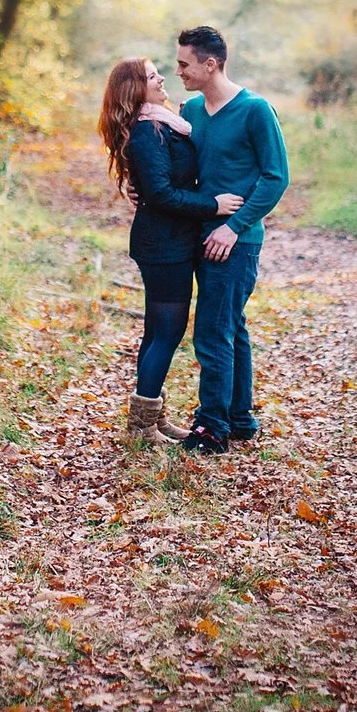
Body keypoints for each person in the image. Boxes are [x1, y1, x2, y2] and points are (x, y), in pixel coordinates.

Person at [96, 57, 244, 445]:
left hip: (170, 239)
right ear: (135, 89)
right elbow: (160, 193)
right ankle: (142, 426)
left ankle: (152, 418)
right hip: (162, 244)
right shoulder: (148, 131)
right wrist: (213, 205)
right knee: (167, 332)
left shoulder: (163, 123)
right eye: (151, 75)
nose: (161, 77)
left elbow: (157, 184)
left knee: (157, 332)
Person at [171, 24, 289, 454]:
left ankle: (212, 427)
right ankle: (239, 419)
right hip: (200, 235)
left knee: (213, 330)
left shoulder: (256, 110)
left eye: (185, 63)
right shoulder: (193, 113)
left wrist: (234, 227)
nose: (178, 71)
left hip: (235, 241)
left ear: (210, 63)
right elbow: (182, 172)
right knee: (230, 327)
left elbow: (276, 178)